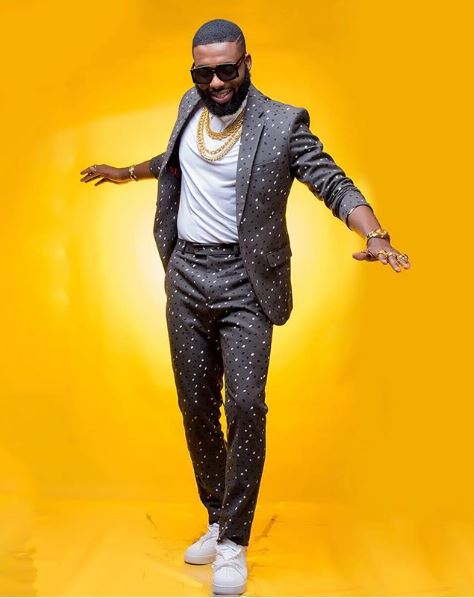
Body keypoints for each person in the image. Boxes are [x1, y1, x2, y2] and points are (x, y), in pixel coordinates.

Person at [80, 18, 410, 596]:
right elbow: (176, 158)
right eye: (203, 73)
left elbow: (331, 181)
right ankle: (217, 517)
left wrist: (375, 234)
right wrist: (127, 173)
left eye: (226, 70)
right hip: (186, 275)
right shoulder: (191, 104)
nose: (215, 83)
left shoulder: (281, 124)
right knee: (196, 407)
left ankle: (234, 541)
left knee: (247, 405)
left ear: (247, 63)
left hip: (245, 283)